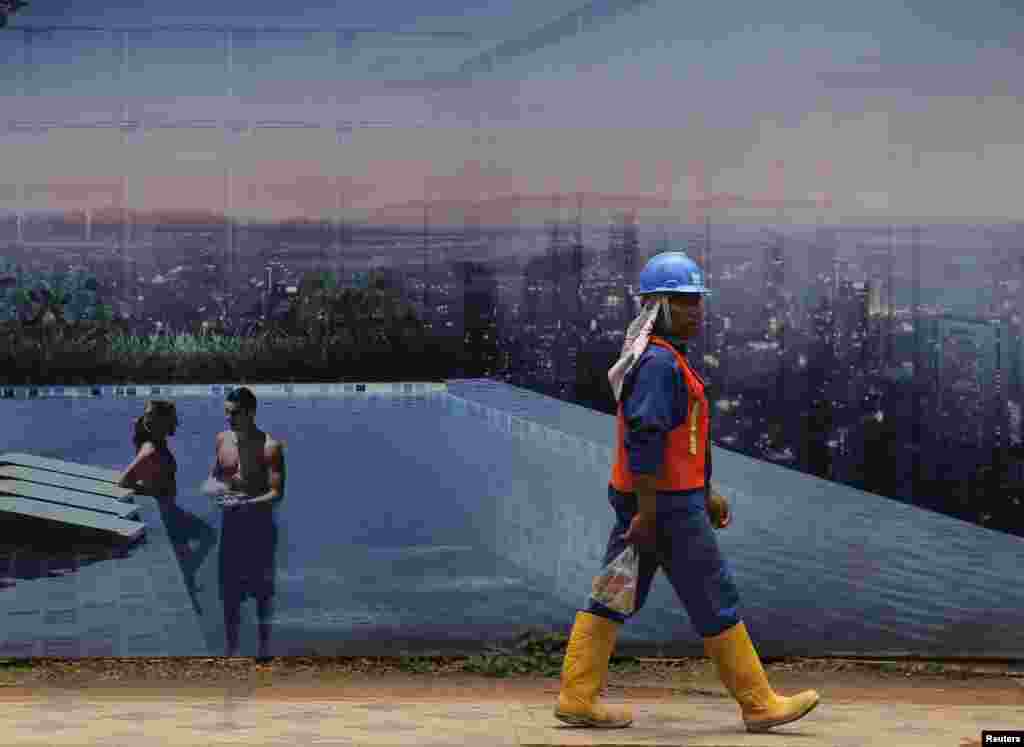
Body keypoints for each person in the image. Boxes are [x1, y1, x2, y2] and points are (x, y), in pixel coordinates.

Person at [554, 251, 820, 733]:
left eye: (698, 300)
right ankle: (758, 703)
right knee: (712, 595)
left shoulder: (662, 358)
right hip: (667, 508)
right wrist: (653, 513)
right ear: (656, 307)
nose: (696, 310)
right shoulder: (659, 364)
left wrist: (704, 491)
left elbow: (682, 439)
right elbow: (647, 440)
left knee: (617, 591)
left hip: (664, 501)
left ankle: (577, 696)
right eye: (684, 301)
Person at [208, 386, 285, 659]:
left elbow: (277, 493)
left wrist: (246, 503)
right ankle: (231, 650)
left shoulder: (270, 447)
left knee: (262, 593)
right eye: (227, 413)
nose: (229, 419)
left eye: (235, 413)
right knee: (229, 591)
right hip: (230, 529)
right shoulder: (221, 440)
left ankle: (264, 649)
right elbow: (215, 476)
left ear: (251, 413)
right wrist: (212, 488)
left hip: (260, 530)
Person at [120, 400, 216, 601]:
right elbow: (125, 481)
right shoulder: (151, 449)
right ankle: (185, 579)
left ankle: (186, 580)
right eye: (173, 419)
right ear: (161, 422)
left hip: (169, 510)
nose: (177, 424)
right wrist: (153, 495)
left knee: (190, 550)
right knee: (207, 537)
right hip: (166, 515)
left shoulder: (156, 443)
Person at [119, 400, 179, 499]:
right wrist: (158, 492)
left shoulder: (153, 447)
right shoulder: (152, 450)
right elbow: (124, 482)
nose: (176, 422)